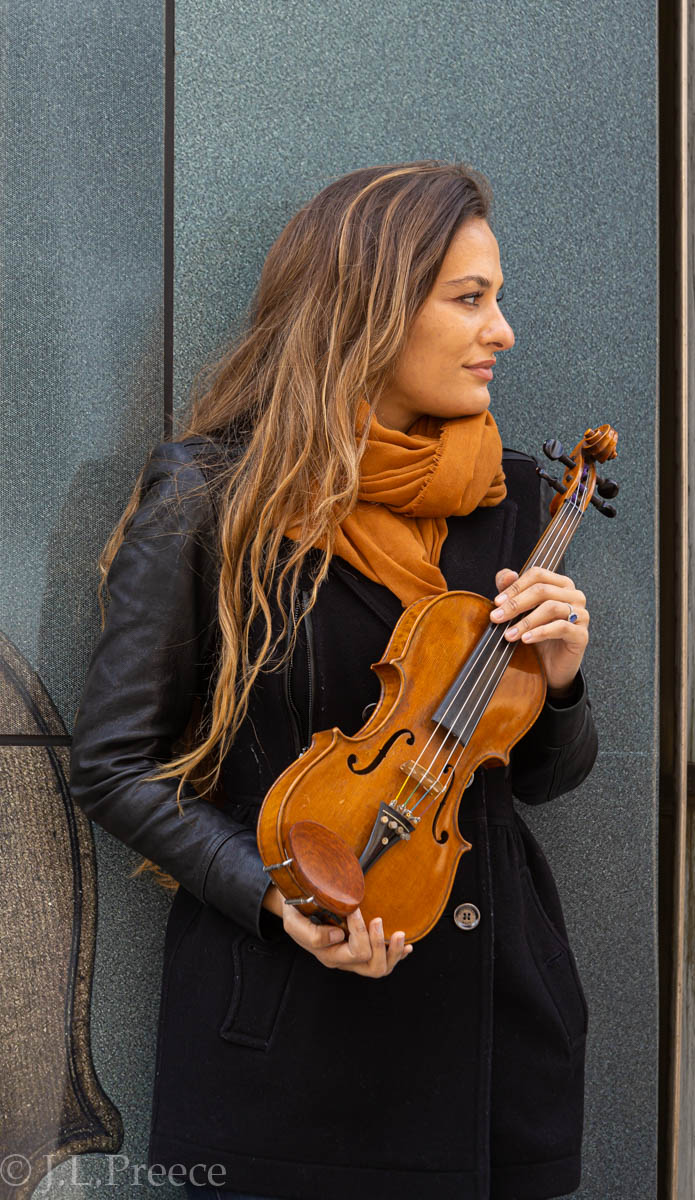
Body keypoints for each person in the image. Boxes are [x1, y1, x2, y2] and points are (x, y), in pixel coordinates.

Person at [69, 161, 598, 1200]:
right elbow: (112, 766)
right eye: (470, 299)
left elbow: (533, 774)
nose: (504, 332)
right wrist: (276, 896)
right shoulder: (209, 496)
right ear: (367, 307)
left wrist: (566, 682)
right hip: (290, 1043)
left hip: (496, 1027)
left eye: (498, 297)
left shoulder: (517, 500)